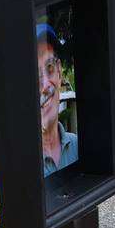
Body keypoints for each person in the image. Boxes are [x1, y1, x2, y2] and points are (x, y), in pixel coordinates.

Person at [37, 22, 78, 175]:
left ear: (60, 72)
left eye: (50, 68)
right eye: (34, 75)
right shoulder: (19, 167)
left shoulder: (78, 147)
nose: (45, 85)